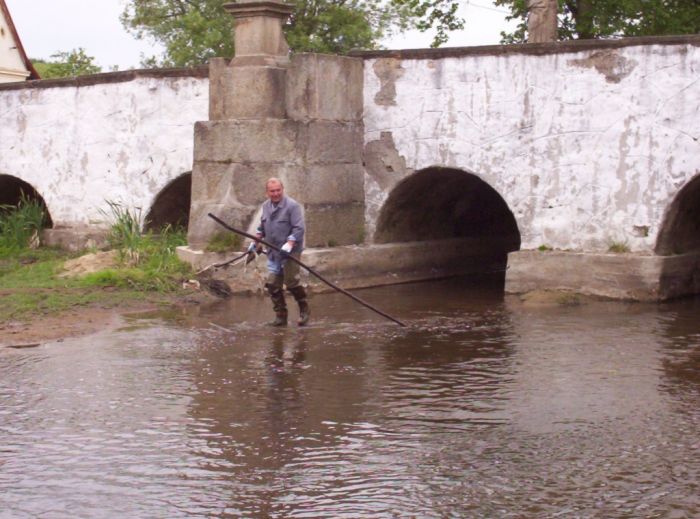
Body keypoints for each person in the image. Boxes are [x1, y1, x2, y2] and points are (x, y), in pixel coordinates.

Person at [248, 178, 310, 326]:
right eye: (272, 191)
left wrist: (290, 243)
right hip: (273, 251)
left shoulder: (292, 206)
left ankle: (304, 310)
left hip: (290, 251)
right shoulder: (265, 206)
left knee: (291, 282)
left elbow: (299, 228)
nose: (275, 193)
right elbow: (262, 228)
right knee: (273, 284)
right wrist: (255, 242)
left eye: (278, 190)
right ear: (267, 192)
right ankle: (281, 316)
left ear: (282, 189)